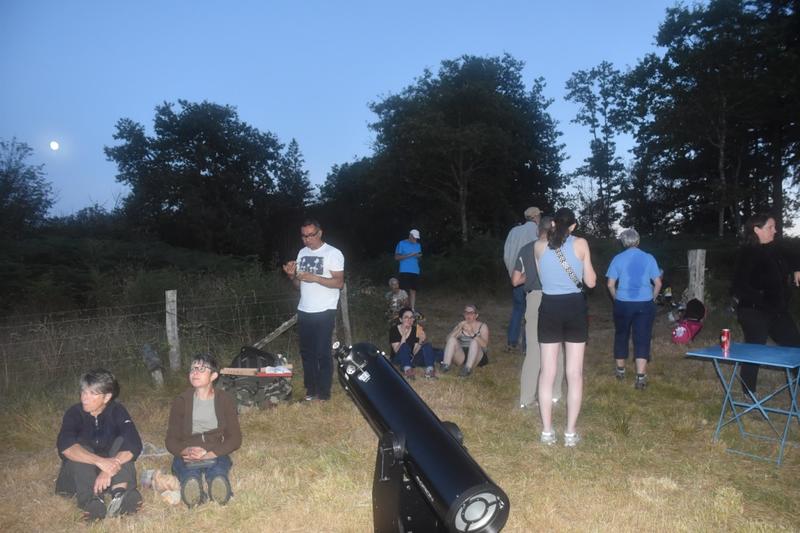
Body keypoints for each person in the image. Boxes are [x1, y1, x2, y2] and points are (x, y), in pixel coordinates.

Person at [534, 207, 596, 447]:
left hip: (549, 307)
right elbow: (590, 282)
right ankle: (570, 433)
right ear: (573, 226)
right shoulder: (581, 243)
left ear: (552, 225)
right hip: (574, 308)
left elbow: (542, 279)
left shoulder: (538, 246)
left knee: (547, 372)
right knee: (574, 373)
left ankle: (547, 431)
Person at [55, 368, 143, 521]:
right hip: (77, 478)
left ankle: (120, 494)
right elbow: (66, 447)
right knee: (82, 449)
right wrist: (100, 462)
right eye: (83, 392)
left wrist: (107, 470)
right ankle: (92, 502)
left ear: (107, 397)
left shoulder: (117, 410)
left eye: (92, 393)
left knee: (122, 442)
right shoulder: (74, 413)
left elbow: (134, 442)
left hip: (110, 475)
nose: (84, 398)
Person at [731, 213, 800, 396]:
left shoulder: (775, 248)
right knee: (755, 350)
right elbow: (739, 287)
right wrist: (764, 299)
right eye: (770, 227)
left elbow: (794, 255)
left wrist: (796, 268)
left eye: (775, 227)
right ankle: (748, 392)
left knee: (795, 345)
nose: (775, 230)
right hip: (754, 311)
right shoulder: (747, 254)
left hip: (777, 310)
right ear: (757, 230)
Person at [165, 353, 242, 508]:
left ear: (213, 375)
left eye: (201, 369)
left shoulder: (224, 400)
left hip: (214, 449)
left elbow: (235, 438)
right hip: (188, 451)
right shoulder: (181, 401)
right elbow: (171, 439)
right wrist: (185, 451)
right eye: (193, 369)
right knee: (187, 472)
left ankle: (218, 486)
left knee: (218, 468)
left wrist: (210, 454)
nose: (195, 372)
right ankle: (192, 490)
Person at [282, 218, 345, 401]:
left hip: (325, 309)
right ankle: (311, 390)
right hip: (304, 309)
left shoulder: (333, 253)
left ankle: (324, 393)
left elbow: (339, 283)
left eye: (310, 235)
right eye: (304, 236)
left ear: (320, 233)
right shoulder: (302, 253)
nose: (307, 240)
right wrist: (291, 276)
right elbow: (298, 286)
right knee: (307, 352)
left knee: (322, 352)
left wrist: (315, 278)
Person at [512, 216, 565, 409]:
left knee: (534, 349)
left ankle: (526, 399)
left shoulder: (526, 249)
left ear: (537, 231)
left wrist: (530, 275)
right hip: (556, 298)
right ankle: (555, 394)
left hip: (534, 298)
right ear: (553, 230)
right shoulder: (559, 250)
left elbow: (515, 280)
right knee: (557, 347)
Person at [606, 228, 662, 390]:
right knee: (642, 337)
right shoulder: (649, 258)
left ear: (623, 242)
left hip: (623, 303)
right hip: (645, 303)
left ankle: (620, 370)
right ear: (638, 241)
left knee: (621, 334)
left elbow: (610, 284)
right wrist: (652, 298)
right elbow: (658, 283)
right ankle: (640, 377)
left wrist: (616, 299)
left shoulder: (617, 258)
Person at [503, 207, 541, 352]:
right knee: (531, 312)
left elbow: (506, 254)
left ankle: (511, 343)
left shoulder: (513, 231)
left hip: (515, 277)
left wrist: (512, 274)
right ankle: (527, 346)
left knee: (518, 310)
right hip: (530, 279)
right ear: (536, 216)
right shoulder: (536, 232)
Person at [441, 303, 490, 377]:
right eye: (466, 313)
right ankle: (445, 366)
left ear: (476, 315)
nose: (468, 315)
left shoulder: (482, 326)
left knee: (474, 342)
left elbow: (485, 345)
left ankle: (467, 369)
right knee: (452, 340)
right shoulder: (461, 324)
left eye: (471, 313)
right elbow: (448, 340)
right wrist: (458, 329)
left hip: (478, 355)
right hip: (462, 356)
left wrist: (472, 333)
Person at [390, 307, 437, 379]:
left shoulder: (416, 329)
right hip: (398, 359)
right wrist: (404, 335)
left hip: (412, 359)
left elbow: (414, 352)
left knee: (427, 345)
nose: (409, 320)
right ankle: (408, 371)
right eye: (406, 317)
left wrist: (420, 341)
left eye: (411, 317)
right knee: (404, 346)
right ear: (400, 319)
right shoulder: (394, 330)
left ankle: (430, 371)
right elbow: (396, 351)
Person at [395, 229, 422, 310]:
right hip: (404, 270)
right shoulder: (401, 243)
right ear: (410, 235)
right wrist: (409, 255)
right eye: (414, 238)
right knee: (402, 291)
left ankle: (412, 309)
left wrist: (418, 256)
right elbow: (396, 257)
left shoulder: (418, 245)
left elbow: (419, 257)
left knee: (413, 290)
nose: (415, 240)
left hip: (415, 270)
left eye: (416, 238)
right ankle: (401, 309)